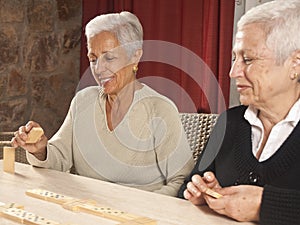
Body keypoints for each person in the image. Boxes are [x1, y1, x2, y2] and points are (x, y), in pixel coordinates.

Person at [12, 11, 194, 197]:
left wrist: (142, 209)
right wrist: (41, 149)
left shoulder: (161, 109)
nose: (99, 69)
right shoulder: (83, 102)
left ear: (135, 57)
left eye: (109, 58)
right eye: (93, 59)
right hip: (85, 210)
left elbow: (182, 180)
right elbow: (58, 159)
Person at [178, 0, 300, 224]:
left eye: (248, 59)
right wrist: (202, 193)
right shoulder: (230, 121)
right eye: (235, 58)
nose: (233, 72)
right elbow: (186, 189)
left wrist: (266, 205)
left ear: (295, 63)